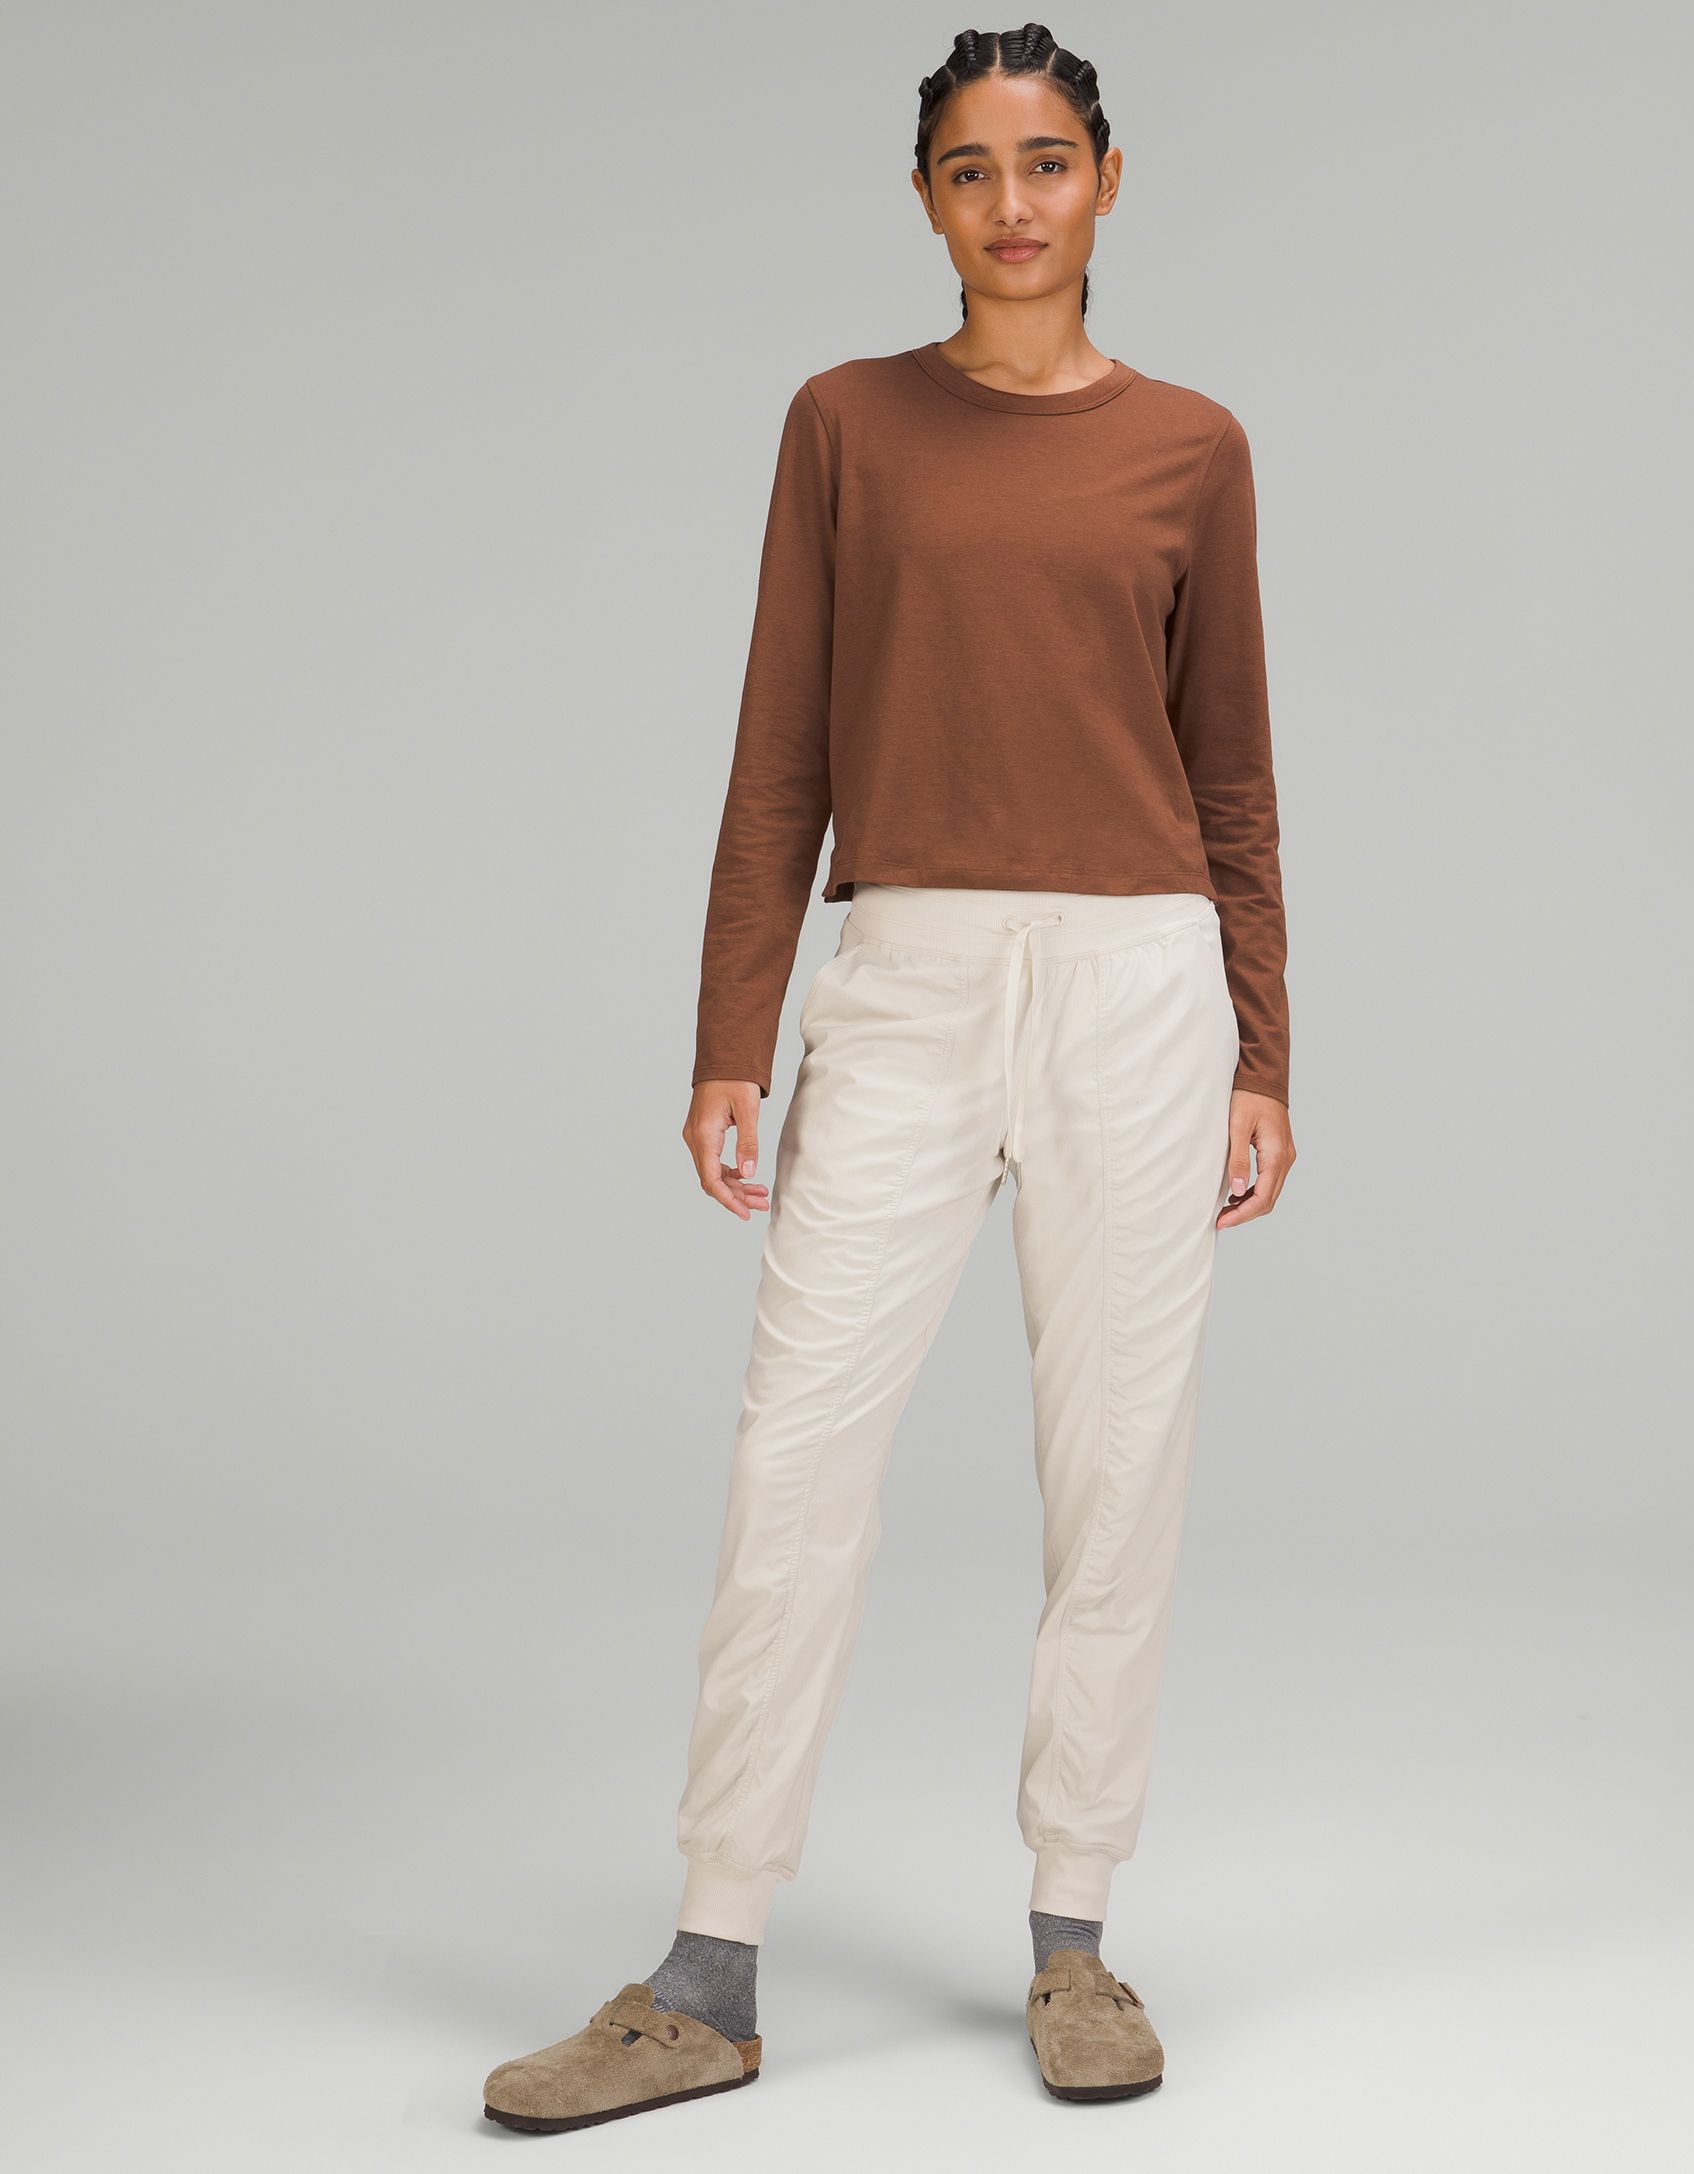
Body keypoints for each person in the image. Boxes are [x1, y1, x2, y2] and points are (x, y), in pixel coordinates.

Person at [482, 21, 1296, 2133]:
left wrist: (1265, 1048)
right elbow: (781, 745)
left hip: (1140, 988)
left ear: (1108, 179)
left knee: (1117, 1468)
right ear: (926, 200)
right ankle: (707, 1970)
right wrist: (728, 1031)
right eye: (969, 169)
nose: (1013, 203)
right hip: (907, 975)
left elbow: (1229, 771)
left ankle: (1076, 1939)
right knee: (795, 1462)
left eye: (1047, 161)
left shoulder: (1194, 446)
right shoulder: (846, 424)